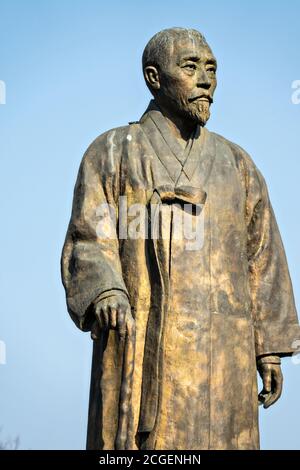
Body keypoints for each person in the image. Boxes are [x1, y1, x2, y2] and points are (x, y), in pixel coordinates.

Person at [61, 27, 300, 450]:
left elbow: (263, 256)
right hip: (143, 345)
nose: (206, 79)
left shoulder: (238, 165)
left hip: (225, 351)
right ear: (154, 77)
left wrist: (269, 348)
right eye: (191, 67)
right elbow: (88, 237)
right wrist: (106, 290)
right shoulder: (113, 151)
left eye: (212, 69)